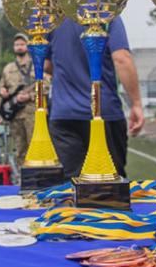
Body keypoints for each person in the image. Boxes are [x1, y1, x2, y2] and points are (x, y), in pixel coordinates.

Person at [45, 16, 144, 179]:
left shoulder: (56, 18)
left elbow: (46, 64)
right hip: (104, 112)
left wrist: (69, 72)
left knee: (70, 187)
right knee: (109, 186)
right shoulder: (108, 12)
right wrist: (136, 103)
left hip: (64, 114)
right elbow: (121, 58)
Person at [0, 33, 35, 171]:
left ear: (28, 46)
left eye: (22, 44)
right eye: (17, 45)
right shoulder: (8, 68)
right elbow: (1, 86)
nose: (19, 47)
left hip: (32, 114)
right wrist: (2, 90)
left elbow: (46, 87)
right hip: (14, 115)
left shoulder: (37, 65)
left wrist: (30, 96)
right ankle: (22, 179)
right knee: (19, 149)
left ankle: (36, 180)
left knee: (34, 148)